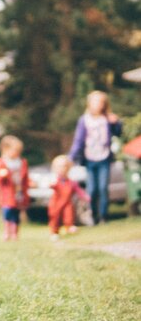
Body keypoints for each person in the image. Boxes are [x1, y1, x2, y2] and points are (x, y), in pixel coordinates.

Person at [68, 90, 123, 224]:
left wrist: (117, 123)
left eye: (101, 102)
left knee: (103, 188)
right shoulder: (84, 120)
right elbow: (78, 140)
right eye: (96, 101)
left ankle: (103, 216)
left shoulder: (107, 119)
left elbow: (118, 133)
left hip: (104, 158)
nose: (98, 105)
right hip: (89, 159)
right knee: (92, 189)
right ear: (90, 103)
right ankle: (94, 216)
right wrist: (71, 158)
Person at [0, 135, 29, 241]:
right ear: (6, 149)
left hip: (19, 192)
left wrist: (28, 185)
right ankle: (6, 232)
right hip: (7, 193)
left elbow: (26, 177)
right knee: (7, 211)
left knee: (16, 213)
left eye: (19, 151)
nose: (18, 153)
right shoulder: (1, 162)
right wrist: (2, 175)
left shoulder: (22, 162)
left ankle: (15, 233)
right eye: (15, 150)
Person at [48, 155, 89, 241]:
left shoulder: (71, 182)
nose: (62, 169)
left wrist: (85, 196)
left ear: (68, 168)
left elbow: (78, 190)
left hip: (67, 203)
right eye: (59, 167)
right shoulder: (55, 180)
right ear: (54, 168)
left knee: (69, 214)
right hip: (56, 203)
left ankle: (69, 226)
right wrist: (51, 184)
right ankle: (54, 232)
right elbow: (50, 186)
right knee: (55, 218)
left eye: (64, 166)